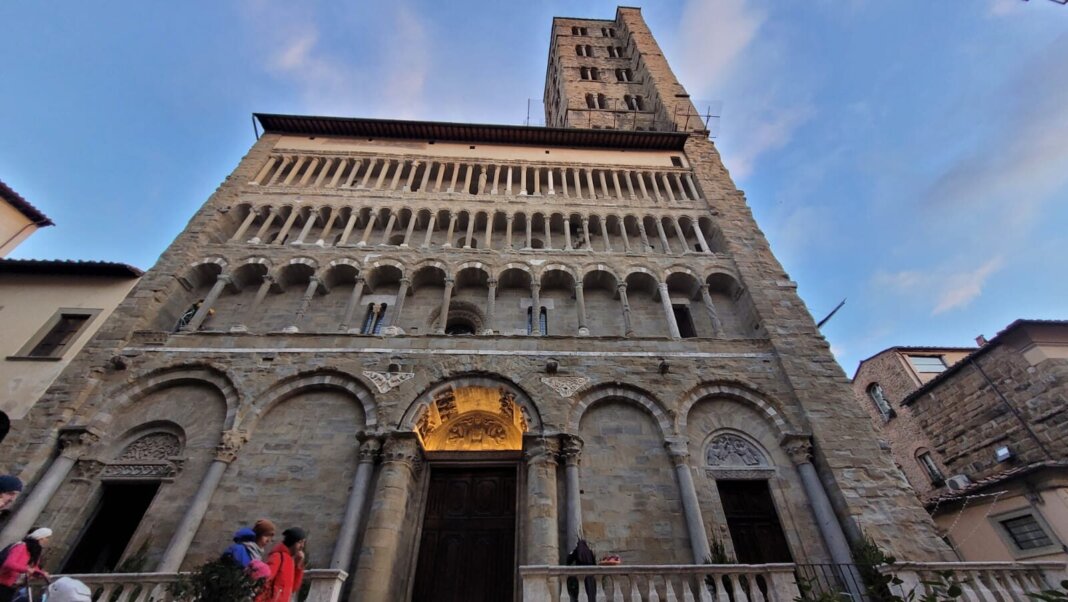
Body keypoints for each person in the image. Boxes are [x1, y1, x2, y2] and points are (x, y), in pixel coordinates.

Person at [0, 527, 51, 602]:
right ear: (40, 538)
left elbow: (34, 567)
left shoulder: (35, 551)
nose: (48, 540)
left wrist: (42, 573)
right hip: (3, 582)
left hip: (12, 585)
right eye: (47, 537)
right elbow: (9, 563)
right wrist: (27, 569)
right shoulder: (21, 546)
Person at [256, 528, 306, 602]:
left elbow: (293, 588)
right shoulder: (278, 556)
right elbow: (265, 581)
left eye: (303, 542)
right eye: (300, 542)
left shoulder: (291, 560)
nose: (302, 546)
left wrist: (298, 565)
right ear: (292, 542)